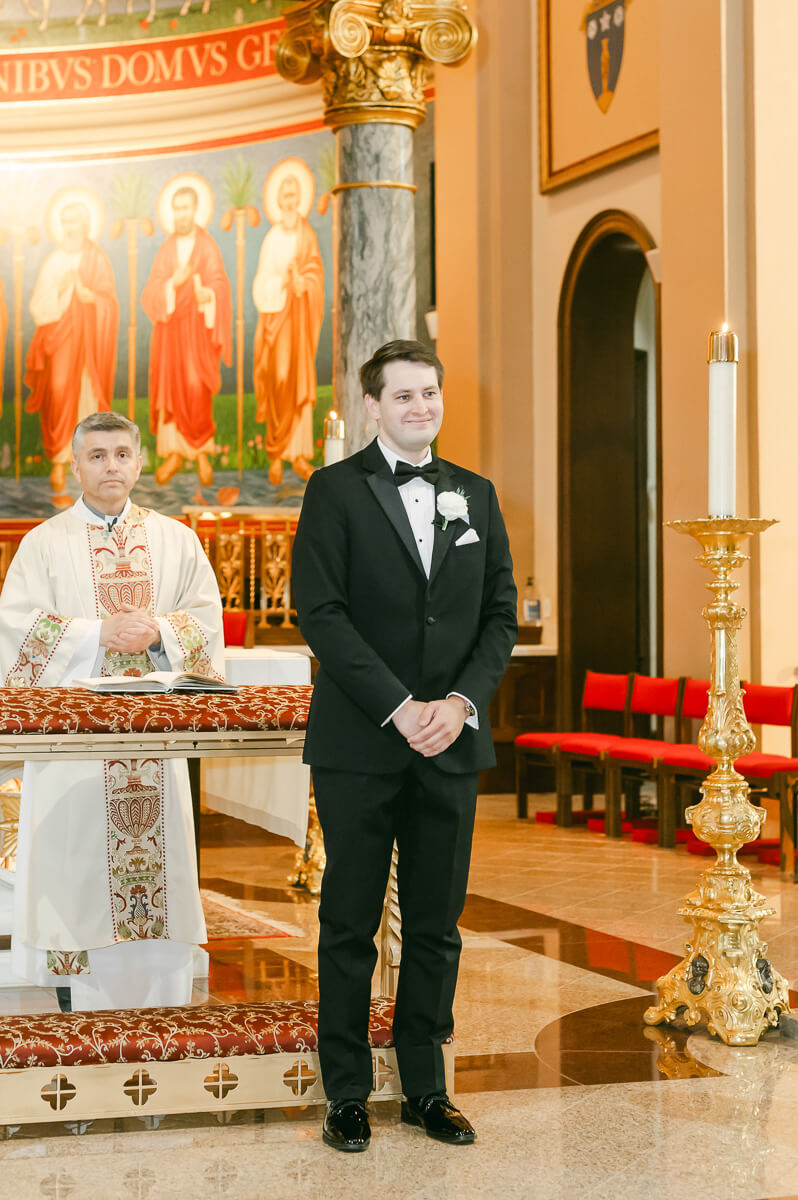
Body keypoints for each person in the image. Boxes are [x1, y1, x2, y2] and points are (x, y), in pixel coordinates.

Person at [292, 339, 517, 1151]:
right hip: (361, 741)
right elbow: (321, 612)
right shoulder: (333, 490)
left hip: (451, 743)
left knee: (435, 921)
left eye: (431, 393)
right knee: (349, 918)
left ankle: (427, 1086)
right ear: (374, 407)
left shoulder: (476, 496)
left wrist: (457, 703)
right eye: (405, 396)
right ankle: (346, 1092)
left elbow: (499, 616)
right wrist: (399, 705)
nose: (421, 407)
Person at [0, 411, 224, 1011]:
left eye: (122, 454)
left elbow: (204, 621)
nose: (111, 467)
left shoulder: (176, 539)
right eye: (97, 456)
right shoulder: (44, 543)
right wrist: (97, 633)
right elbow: (15, 633)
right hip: (76, 752)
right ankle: (81, 1011)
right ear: (75, 465)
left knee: (161, 885)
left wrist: (158, 630)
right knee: (78, 884)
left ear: (140, 461)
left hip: (155, 750)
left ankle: (161, 1014)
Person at [25, 201, 119, 497]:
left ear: (86, 225)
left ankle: (93, 462)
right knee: (60, 391)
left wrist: (88, 295)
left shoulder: (97, 260)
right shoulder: (53, 262)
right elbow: (39, 308)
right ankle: (59, 460)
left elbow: (110, 305)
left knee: (87, 397)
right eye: (65, 222)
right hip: (61, 342)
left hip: (91, 347)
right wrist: (63, 290)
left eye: (75, 221)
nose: (69, 228)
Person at [142, 185, 232, 488]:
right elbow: (151, 291)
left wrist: (207, 293)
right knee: (170, 388)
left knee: (195, 387)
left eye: (186, 207)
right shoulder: (167, 248)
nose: (181, 213)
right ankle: (174, 454)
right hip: (169, 333)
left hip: (197, 332)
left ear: (195, 210)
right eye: (176, 208)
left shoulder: (206, 246)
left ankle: (200, 452)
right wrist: (171, 284)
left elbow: (220, 283)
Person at [252, 173, 324, 488]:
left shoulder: (307, 236)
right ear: (279, 202)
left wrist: (303, 282)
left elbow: (316, 275)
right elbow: (262, 282)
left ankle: (298, 454)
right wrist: (283, 282)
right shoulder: (272, 238)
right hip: (276, 318)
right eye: (286, 197)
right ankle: (276, 454)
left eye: (295, 196)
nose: (291, 202)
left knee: (300, 383)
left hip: (300, 321)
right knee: (279, 380)